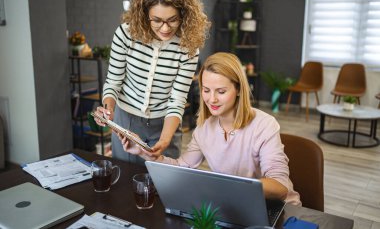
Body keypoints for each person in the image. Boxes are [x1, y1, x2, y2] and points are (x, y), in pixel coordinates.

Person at [120, 52, 301, 205]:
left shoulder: (265, 125)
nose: (212, 99)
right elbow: (181, 168)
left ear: (238, 89)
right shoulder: (204, 129)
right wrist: (142, 151)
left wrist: (224, 187)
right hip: (236, 205)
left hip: (279, 210)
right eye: (206, 90)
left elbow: (279, 187)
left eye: (221, 92)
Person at [95, 0, 211, 164]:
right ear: (144, 14)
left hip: (165, 124)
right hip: (127, 121)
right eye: (157, 20)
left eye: (173, 20)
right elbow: (113, 83)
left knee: (163, 185)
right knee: (124, 181)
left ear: (183, 14)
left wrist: (164, 140)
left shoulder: (188, 46)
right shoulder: (126, 34)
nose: (165, 28)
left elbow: (177, 100)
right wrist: (107, 111)